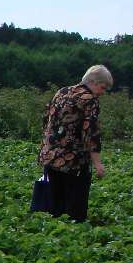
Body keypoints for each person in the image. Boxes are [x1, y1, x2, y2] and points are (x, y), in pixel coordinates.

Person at [37, 65, 113, 221]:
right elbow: (90, 133)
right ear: (92, 82)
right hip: (74, 161)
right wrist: (97, 163)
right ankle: (74, 235)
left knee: (55, 203)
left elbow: (46, 118)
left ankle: (53, 234)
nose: (103, 92)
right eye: (102, 87)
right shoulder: (89, 99)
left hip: (51, 155)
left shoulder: (62, 92)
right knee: (75, 207)